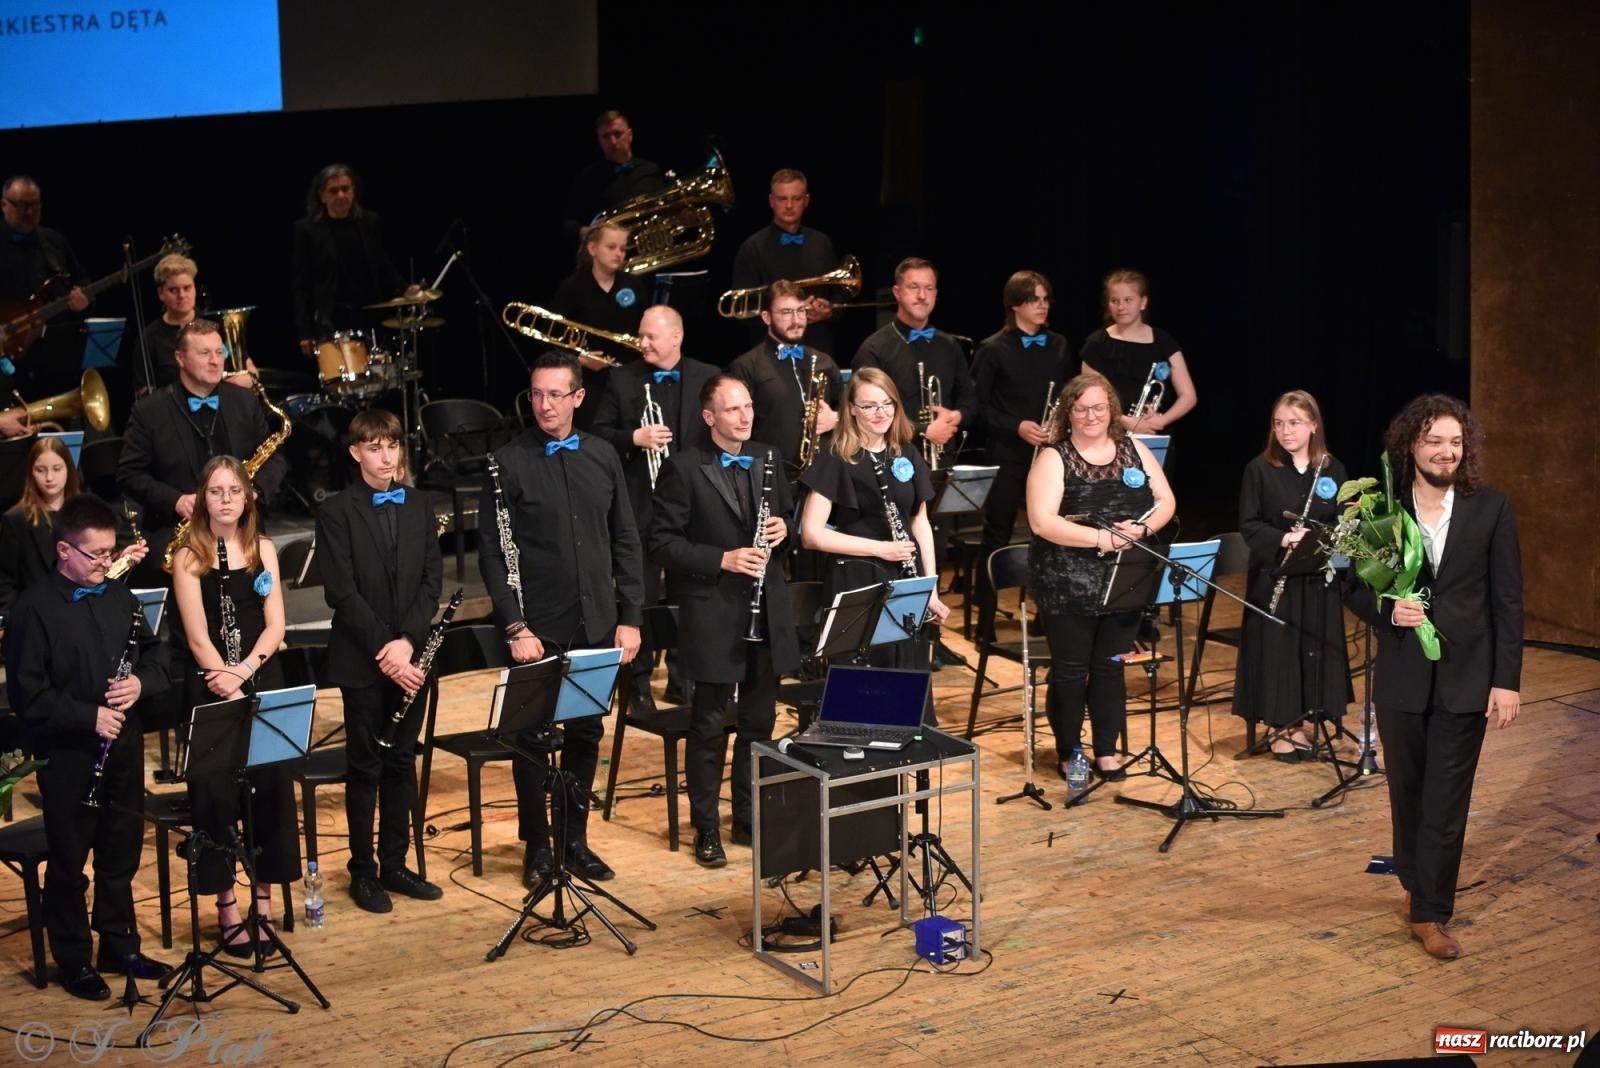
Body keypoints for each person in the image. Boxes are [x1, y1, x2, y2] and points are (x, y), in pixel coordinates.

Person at [1348, 395, 1522, 960]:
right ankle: (1414, 883)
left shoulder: (1491, 508)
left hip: (1467, 678)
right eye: (1434, 441)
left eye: (1456, 442)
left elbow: (1508, 601)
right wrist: (1386, 610)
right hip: (1402, 677)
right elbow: (1353, 589)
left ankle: (1431, 912)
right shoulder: (1381, 511)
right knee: (1408, 794)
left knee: (1447, 801)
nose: (1447, 452)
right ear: (1411, 446)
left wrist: (1507, 680)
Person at [478, 351, 644, 887]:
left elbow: (625, 538)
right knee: (530, 740)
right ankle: (538, 849)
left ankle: (575, 841)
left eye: (555, 394)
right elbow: (492, 555)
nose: (544, 405)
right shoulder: (506, 462)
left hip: (597, 622)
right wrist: (514, 626)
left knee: (585, 733)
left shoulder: (602, 455)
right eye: (536, 394)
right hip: (537, 625)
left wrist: (630, 616)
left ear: (578, 397)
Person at [3, 493, 171, 999]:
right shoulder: (33, 610)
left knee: (121, 855)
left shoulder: (120, 597)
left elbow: (157, 657)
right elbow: (28, 696)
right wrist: (89, 716)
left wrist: (140, 683)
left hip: (123, 749)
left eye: (110, 551)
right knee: (70, 864)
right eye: (96, 554)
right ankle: (74, 959)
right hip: (69, 757)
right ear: (63, 550)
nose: (106, 562)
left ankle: (118, 945)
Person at [650, 374, 798, 866]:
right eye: (733, 409)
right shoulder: (683, 466)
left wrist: (785, 528)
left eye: (748, 406)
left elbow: (788, 518)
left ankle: (748, 817)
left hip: (765, 608)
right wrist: (722, 559)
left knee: (759, 721)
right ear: (709, 416)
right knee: (709, 726)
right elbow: (662, 543)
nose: (745, 416)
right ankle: (706, 827)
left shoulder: (768, 457)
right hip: (713, 612)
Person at [317, 409, 444, 913]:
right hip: (363, 659)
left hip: (410, 656)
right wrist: (386, 649)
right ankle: (363, 872)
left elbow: (431, 583)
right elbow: (340, 593)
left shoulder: (420, 504)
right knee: (365, 766)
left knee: (401, 762)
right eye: (374, 447)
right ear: (356, 453)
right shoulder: (336, 511)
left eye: (392, 446)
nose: (386, 456)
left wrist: (407, 641)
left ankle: (395, 864)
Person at [170, 455, 297, 956]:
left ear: (248, 497)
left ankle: (262, 904)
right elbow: (197, 637)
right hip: (211, 686)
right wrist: (225, 680)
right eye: (216, 491)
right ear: (203, 499)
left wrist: (243, 673)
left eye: (234, 491)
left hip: (256, 676)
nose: (226, 500)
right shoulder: (187, 556)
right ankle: (226, 907)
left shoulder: (263, 548)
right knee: (216, 798)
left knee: (271, 791)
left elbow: (275, 624)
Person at [1026, 373, 1175, 782]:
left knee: (1110, 668)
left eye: (1099, 407)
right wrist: (1102, 539)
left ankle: (1106, 751)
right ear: (1068, 412)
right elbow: (1042, 523)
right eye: (1081, 408)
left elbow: (1166, 500)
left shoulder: (1134, 448)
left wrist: (1140, 530)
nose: (1091, 416)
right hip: (1067, 581)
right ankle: (1070, 752)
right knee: (1072, 671)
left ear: (1111, 410)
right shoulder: (1054, 457)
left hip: (1124, 579)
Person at [590, 305, 717, 711]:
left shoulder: (708, 376)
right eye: (640, 335)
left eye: (650, 336)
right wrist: (634, 438)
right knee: (639, 597)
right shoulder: (622, 378)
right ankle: (638, 684)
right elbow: (598, 434)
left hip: (691, 510)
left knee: (688, 595)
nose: (641, 343)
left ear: (676, 337)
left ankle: (683, 677)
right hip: (640, 507)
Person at [800, 368, 950, 674]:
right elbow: (812, 535)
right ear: (852, 409)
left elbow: (920, 523)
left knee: (907, 674)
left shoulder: (907, 453)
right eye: (869, 406)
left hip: (905, 577)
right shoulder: (836, 457)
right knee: (864, 677)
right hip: (856, 578)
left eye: (887, 404)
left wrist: (930, 589)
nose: (881, 413)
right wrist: (880, 549)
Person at [117, 318, 288, 574]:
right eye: (204, 353)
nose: (215, 361)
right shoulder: (150, 411)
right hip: (180, 536)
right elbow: (129, 475)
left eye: (219, 352)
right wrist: (176, 500)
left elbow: (275, 458)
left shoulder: (244, 400)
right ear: (180, 358)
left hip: (242, 531)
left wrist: (254, 491)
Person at [1234, 391, 1352, 760]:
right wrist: (1285, 539)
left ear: (1314, 425)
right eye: (1279, 424)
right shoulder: (1259, 469)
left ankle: (1303, 722)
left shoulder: (1333, 469)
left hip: (1318, 579)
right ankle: (1280, 727)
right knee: (1280, 652)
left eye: (1295, 423)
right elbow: (1249, 525)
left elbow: (1343, 524)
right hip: (1276, 578)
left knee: (1313, 648)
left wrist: (1336, 557)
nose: (1285, 431)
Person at [970, 270, 1075, 640]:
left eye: (1046, 300)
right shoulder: (992, 349)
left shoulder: (1059, 345)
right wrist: (1016, 426)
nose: (1042, 306)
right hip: (1007, 455)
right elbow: (977, 408)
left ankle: (1049, 618)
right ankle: (985, 625)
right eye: (1033, 300)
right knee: (996, 535)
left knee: (1049, 535)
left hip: (1050, 455)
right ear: (1015, 305)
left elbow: (1069, 395)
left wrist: (1059, 424)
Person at [852, 257, 976, 473]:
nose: (922, 296)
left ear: (936, 294)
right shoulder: (873, 349)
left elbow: (970, 400)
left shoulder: (949, 345)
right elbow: (867, 413)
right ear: (897, 292)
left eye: (929, 288)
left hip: (942, 462)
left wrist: (955, 417)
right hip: (890, 462)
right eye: (913, 287)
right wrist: (924, 430)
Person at [291, 163, 413, 358]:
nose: (341, 195)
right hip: (330, 319)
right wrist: (304, 332)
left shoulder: (370, 221)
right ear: (322, 196)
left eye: (345, 189)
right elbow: (301, 284)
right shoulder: (307, 230)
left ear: (353, 191)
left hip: (368, 314)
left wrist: (405, 288)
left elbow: (382, 262)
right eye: (333, 191)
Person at [728, 280, 842, 474]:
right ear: (766, 317)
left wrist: (836, 418)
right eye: (786, 312)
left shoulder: (824, 362)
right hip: (771, 475)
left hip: (824, 475)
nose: (797, 320)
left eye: (801, 310)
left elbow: (853, 409)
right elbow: (736, 426)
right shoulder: (746, 366)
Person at [728, 168, 842, 353]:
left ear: (806, 201)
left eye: (796, 198)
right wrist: (790, 313)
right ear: (771, 201)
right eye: (782, 199)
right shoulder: (752, 248)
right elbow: (742, 310)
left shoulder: (822, 242)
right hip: (770, 352)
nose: (789, 205)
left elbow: (839, 294)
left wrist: (830, 311)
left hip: (819, 347)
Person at [0, 175, 91, 398]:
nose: (30, 212)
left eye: (35, 205)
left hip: (55, 363)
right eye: (22, 205)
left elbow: (81, 279)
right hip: (8, 367)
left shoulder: (54, 242)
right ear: (4, 205)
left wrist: (84, 301)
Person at [549, 221, 645, 428]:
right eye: (611, 247)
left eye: (622, 249)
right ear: (592, 249)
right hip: (589, 382)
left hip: (630, 377)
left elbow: (643, 327)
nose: (618, 254)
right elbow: (552, 337)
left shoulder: (633, 285)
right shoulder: (572, 288)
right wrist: (580, 359)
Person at [1079, 268, 1196, 437]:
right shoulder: (1096, 344)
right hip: (1110, 435)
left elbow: (1188, 395)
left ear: (1143, 302)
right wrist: (1125, 421)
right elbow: (1090, 398)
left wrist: (1161, 421)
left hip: (1152, 434)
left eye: (1128, 300)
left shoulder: (1162, 341)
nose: (1121, 307)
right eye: (1114, 301)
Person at [0, 436, 83, 618]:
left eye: (57, 469)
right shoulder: (16, 519)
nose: (49, 478)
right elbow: (5, 581)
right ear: (31, 473)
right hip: (36, 617)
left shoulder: (85, 511)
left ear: (69, 469)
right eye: (40, 470)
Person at [562, 110, 667, 247]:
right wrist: (585, 232)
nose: (613, 141)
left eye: (618, 134)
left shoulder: (651, 170)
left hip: (654, 249)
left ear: (630, 135)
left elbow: (666, 209)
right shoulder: (588, 177)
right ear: (599, 141)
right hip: (611, 253)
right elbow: (568, 223)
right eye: (606, 136)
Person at [135, 252, 197, 392]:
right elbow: (143, 393)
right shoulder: (149, 338)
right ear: (161, 293)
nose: (182, 295)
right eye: (173, 290)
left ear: (195, 289)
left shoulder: (214, 323)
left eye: (187, 288)